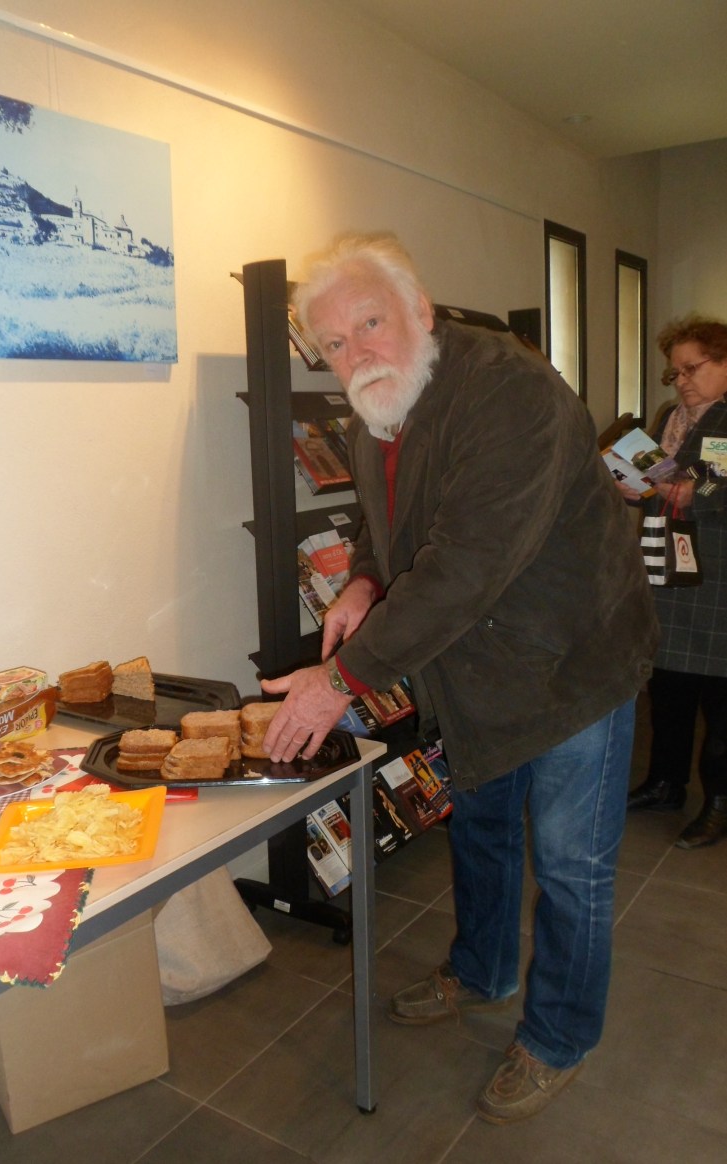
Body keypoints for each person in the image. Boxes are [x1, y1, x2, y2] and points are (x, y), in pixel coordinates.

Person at [260, 232, 658, 1124]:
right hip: (472, 671)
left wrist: (339, 680)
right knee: (480, 830)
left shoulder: (510, 390)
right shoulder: (378, 409)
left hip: (571, 663)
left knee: (571, 865)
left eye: (370, 324)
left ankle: (558, 1036)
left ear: (419, 311)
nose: (356, 352)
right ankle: (479, 972)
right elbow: (392, 529)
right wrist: (364, 581)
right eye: (334, 342)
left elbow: (467, 563)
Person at [621, 315, 727, 848]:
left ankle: (720, 803)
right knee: (668, 688)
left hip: (716, 579)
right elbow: (667, 481)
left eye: (692, 368)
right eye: (675, 372)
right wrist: (634, 486)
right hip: (666, 568)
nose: (682, 380)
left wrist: (684, 491)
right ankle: (665, 783)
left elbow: (714, 488)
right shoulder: (671, 417)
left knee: (720, 701)